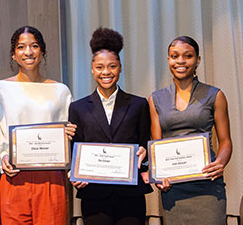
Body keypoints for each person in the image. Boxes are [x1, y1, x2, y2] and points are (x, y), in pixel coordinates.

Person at [0, 25, 76, 225]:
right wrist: (2, 157)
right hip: (14, 176)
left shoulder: (61, 91)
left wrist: (69, 134)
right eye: (21, 47)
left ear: (42, 51)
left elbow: (66, 136)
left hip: (51, 178)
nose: (28, 52)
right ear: (13, 54)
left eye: (34, 46)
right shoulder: (0, 90)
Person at [68, 27, 153, 225]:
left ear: (120, 67)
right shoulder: (77, 108)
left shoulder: (139, 104)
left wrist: (144, 152)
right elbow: (75, 151)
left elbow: (146, 143)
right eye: (100, 67)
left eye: (112, 66)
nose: (106, 72)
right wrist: (74, 173)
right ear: (92, 68)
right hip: (93, 194)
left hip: (130, 194)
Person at [148, 36, 232, 225]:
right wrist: (159, 176)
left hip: (208, 185)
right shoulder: (155, 99)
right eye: (174, 56)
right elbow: (157, 146)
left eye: (188, 56)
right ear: (168, 60)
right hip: (173, 189)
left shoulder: (215, 95)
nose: (180, 61)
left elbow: (225, 141)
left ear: (197, 60)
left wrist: (220, 163)